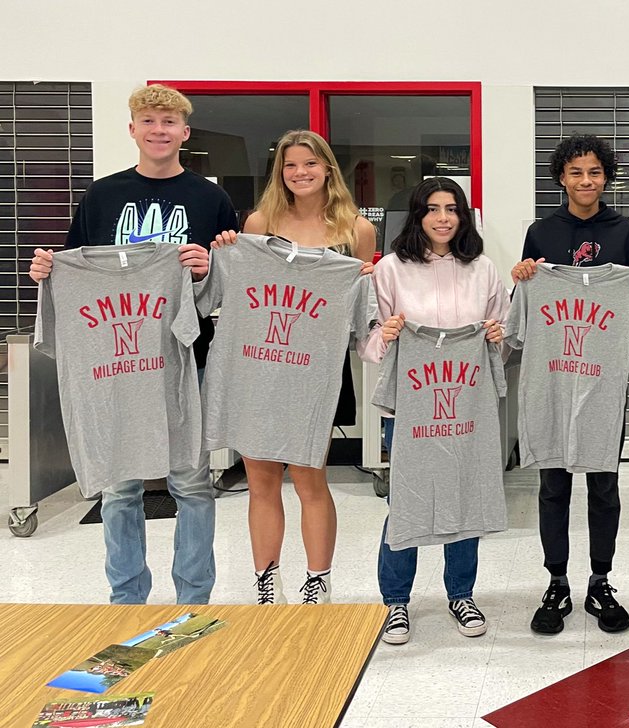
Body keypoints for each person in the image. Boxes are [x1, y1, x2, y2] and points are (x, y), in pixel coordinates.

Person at [27, 84, 233, 605]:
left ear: (185, 132)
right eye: (149, 121)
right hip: (115, 363)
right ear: (133, 129)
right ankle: (125, 600)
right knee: (119, 486)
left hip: (186, 359)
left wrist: (208, 268)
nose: (158, 130)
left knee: (192, 484)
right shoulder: (102, 195)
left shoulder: (211, 199)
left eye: (169, 122)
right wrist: (47, 272)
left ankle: (193, 600)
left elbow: (228, 286)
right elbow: (73, 267)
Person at [212, 129, 375, 605]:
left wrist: (367, 281)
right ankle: (267, 581)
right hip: (259, 367)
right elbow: (238, 287)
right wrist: (227, 250)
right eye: (290, 165)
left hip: (315, 371)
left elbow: (358, 304)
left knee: (310, 477)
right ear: (279, 173)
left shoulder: (356, 229)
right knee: (261, 480)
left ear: (327, 168)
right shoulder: (259, 222)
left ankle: (318, 581)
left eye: (310, 163)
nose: (300, 172)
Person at [510, 133, 629, 635]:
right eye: (576, 172)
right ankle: (556, 582)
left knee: (604, 484)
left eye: (594, 172)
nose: (586, 180)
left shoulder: (626, 232)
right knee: (553, 485)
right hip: (553, 379)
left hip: (602, 381)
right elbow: (523, 303)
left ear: (606, 176)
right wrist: (522, 276)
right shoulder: (541, 232)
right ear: (561, 177)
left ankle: (600, 580)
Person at [363, 177, 507, 645]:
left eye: (452, 209)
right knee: (405, 500)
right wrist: (384, 335)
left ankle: (461, 593)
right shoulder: (390, 269)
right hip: (411, 405)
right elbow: (368, 339)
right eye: (432, 209)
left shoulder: (483, 268)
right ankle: (396, 600)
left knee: (464, 494)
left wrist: (496, 337)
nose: (443, 218)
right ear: (417, 215)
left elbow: (504, 332)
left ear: (463, 216)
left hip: (466, 403)